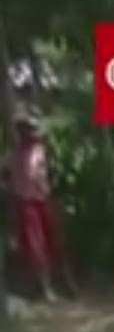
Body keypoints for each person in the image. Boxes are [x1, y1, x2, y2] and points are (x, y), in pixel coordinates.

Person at [4, 115, 74, 300]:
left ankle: (66, 284)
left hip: (43, 199)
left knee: (55, 242)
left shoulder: (39, 150)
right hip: (26, 202)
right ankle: (44, 288)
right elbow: (8, 178)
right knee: (36, 247)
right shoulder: (14, 155)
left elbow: (44, 172)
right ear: (22, 134)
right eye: (29, 132)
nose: (34, 135)